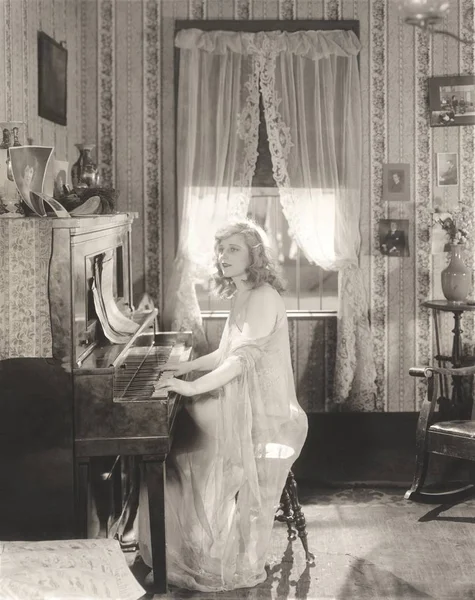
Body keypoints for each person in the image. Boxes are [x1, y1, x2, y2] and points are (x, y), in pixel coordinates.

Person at [138, 219, 308, 591]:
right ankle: (188, 544)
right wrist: (186, 366)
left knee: (180, 444)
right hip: (245, 404)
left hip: (268, 415)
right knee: (177, 444)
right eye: (221, 249)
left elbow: (239, 362)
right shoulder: (243, 292)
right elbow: (225, 351)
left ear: (254, 256)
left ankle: (192, 549)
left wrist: (190, 386)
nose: (223, 255)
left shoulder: (263, 296)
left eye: (234, 249)